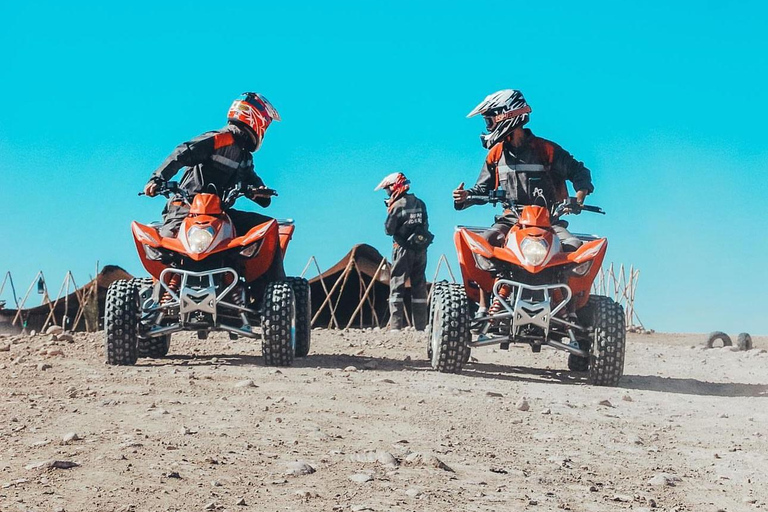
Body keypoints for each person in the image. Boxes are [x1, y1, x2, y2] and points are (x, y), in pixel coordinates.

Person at [453, 89, 594, 310]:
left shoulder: (546, 150)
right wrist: (465, 197)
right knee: (484, 243)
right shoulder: (496, 154)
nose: (487, 128)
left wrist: (579, 197)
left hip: (549, 221)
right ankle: (483, 306)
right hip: (511, 220)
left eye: (489, 121)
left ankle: (569, 307)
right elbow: (482, 188)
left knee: (573, 247)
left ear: (507, 116)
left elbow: (578, 171)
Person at [143, 92, 285, 279]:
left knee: (267, 228)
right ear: (256, 118)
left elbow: (258, 189)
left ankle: (269, 296)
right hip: (186, 208)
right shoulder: (220, 139)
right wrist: (157, 178)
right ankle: (158, 293)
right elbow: (182, 153)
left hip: (220, 215)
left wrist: (260, 192)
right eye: (266, 123)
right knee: (164, 246)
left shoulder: (245, 158)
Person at [375, 172, 433, 332]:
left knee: (397, 285)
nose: (387, 192)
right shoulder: (420, 203)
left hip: (402, 249)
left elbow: (389, 229)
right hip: (420, 248)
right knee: (419, 285)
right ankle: (421, 326)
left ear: (395, 186)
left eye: (388, 189)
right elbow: (426, 224)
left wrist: (389, 210)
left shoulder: (397, 205)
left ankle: (395, 326)